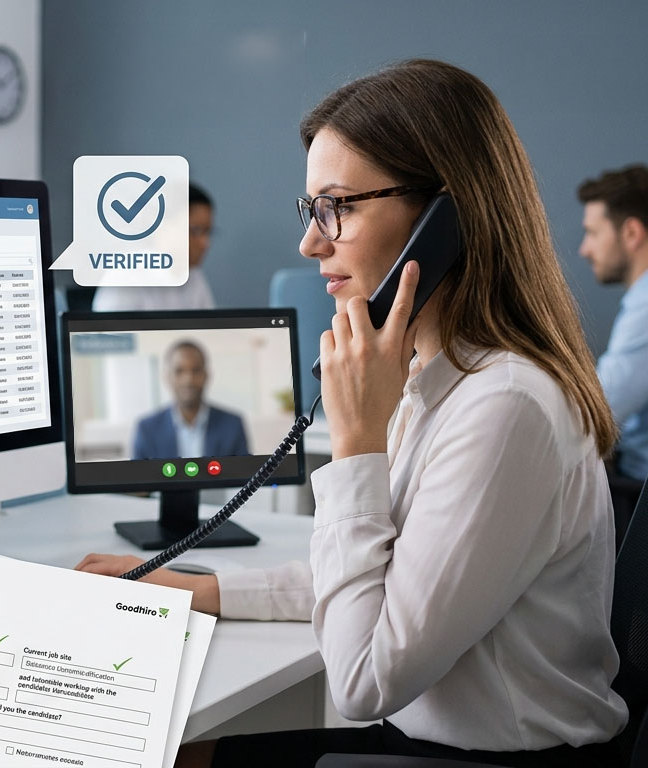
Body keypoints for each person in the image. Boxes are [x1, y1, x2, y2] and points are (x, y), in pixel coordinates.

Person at [77, 59, 628, 767]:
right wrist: (187, 588)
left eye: (336, 205)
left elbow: (365, 681)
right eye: (309, 210)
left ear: (445, 222)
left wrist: (358, 439)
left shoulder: (504, 407)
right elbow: (390, 570)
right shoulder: (436, 375)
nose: (311, 242)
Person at [577, 166, 648, 541]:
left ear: (631, 233)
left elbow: (597, 411)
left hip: (636, 497)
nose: (584, 249)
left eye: (592, 232)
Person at [91, 183, 217, 311]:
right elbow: (108, 330)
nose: (205, 243)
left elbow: (212, 329)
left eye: (207, 232)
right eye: (196, 230)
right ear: (161, 226)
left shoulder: (194, 276)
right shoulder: (125, 278)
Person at [131, 340, 248, 460]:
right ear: (167, 377)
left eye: (195, 370)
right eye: (179, 371)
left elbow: (246, 476)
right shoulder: (147, 429)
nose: (188, 379)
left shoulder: (232, 425)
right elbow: (138, 477)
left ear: (206, 375)